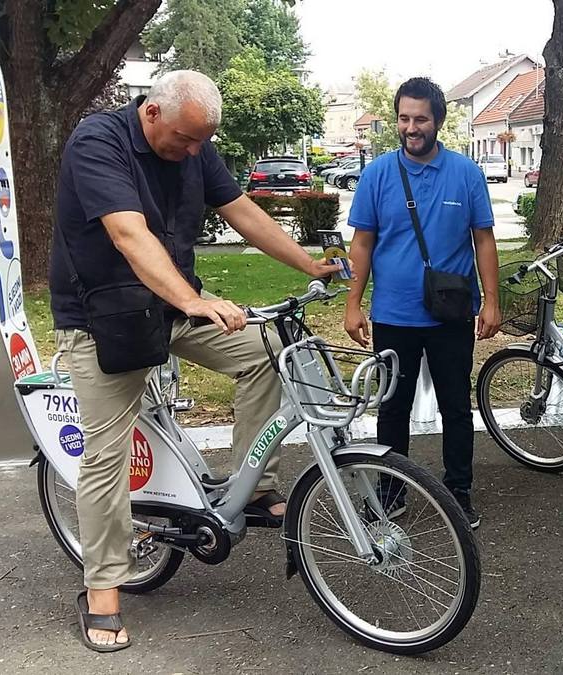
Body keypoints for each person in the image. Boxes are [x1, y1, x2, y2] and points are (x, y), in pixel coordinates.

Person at [50, 70, 342, 651]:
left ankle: (252, 486)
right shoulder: (98, 141)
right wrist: (192, 300)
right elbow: (128, 234)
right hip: (105, 318)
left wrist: (308, 264)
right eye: (185, 139)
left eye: (201, 142)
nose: (192, 152)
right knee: (106, 455)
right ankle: (102, 589)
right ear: (152, 112)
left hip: (174, 306)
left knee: (268, 352)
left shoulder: (194, 146)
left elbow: (243, 211)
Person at [344, 77, 501, 529]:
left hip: (451, 313)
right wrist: (353, 304)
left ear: (439, 122)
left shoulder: (466, 174)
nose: (411, 128)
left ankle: (458, 494)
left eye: (420, 119)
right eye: (404, 118)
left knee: (456, 407)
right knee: (393, 408)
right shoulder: (377, 174)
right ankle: (390, 495)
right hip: (393, 315)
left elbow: (484, 240)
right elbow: (362, 243)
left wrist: (492, 301)